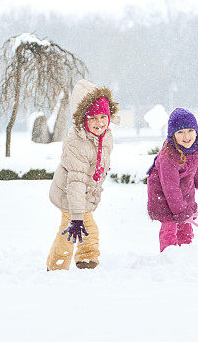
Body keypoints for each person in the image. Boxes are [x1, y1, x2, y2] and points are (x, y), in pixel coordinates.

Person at [47, 80, 118, 270]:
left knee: (72, 232)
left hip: (82, 195)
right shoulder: (77, 144)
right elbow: (76, 181)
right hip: (69, 195)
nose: (99, 122)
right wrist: (77, 216)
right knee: (78, 231)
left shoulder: (105, 137)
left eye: (103, 116)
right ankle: (68, 265)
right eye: (93, 118)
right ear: (83, 119)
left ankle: (81, 261)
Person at [147, 108, 198, 252]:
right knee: (170, 225)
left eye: (189, 131)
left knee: (186, 224)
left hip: (184, 189)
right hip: (162, 193)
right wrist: (180, 212)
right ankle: (169, 254)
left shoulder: (197, 146)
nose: (186, 136)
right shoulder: (169, 156)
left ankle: (185, 252)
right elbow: (170, 188)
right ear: (173, 135)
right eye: (180, 132)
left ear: (196, 131)